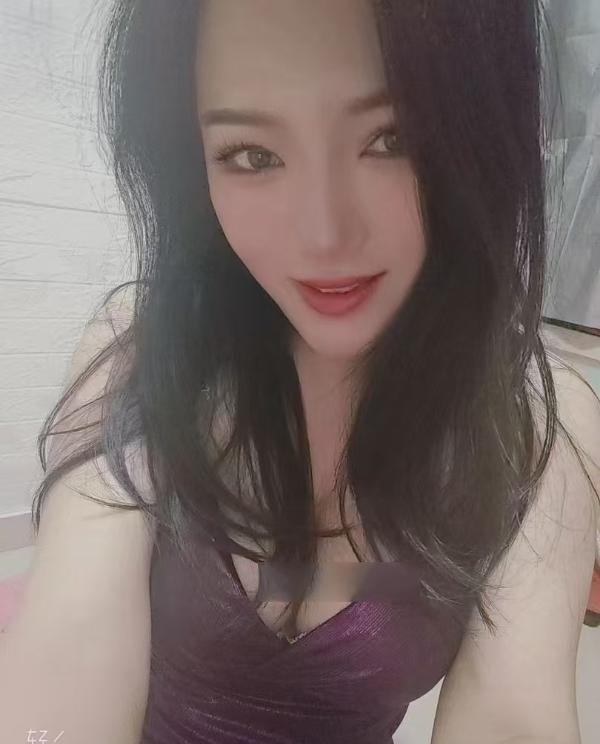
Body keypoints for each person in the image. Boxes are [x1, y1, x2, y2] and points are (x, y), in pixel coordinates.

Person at [1, 1, 599, 743]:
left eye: (393, 138)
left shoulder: (534, 427)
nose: (324, 234)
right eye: (252, 154)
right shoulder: (141, 352)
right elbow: (67, 646)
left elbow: (514, 716)